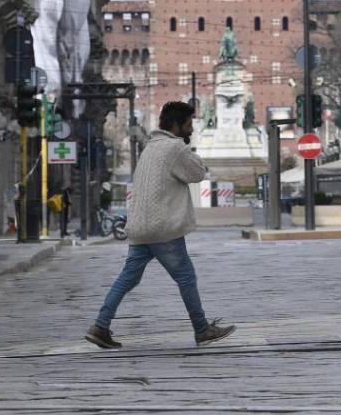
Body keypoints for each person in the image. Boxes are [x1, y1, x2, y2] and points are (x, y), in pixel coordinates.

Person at [86, 101, 236, 349]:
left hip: (140, 227)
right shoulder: (175, 148)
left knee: (127, 278)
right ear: (176, 126)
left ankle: (100, 326)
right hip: (163, 228)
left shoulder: (150, 147)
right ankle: (202, 329)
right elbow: (197, 173)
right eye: (188, 125)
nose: (191, 130)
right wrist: (192, 153)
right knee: (186, 277)